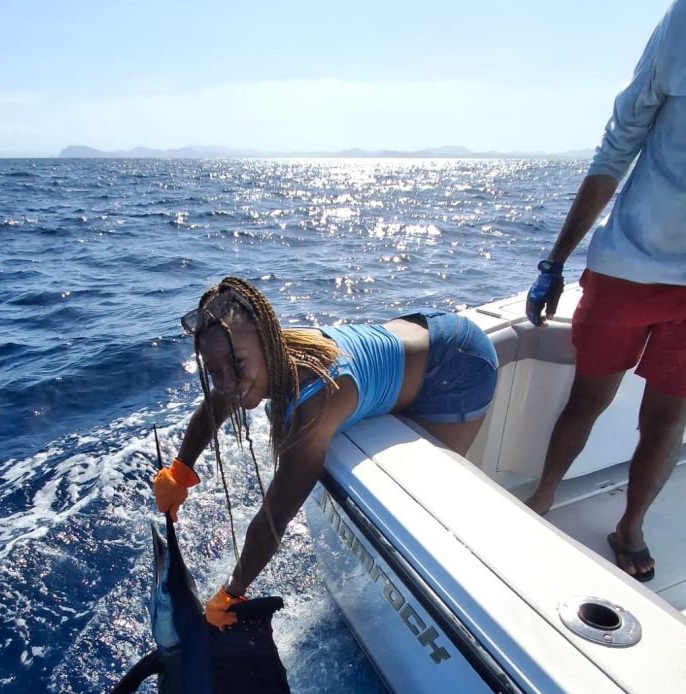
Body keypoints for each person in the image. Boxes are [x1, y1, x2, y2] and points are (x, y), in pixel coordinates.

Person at [154, 276, 498, 627]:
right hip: (422, 329)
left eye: (237, 365)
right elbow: (217, 402)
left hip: (456, 370)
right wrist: (180, 470)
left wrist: (232, 592)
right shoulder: (275, 350)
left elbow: (273, 519)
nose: (227, 383)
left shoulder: (316, 402)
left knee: (425, 500)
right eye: (214, 372)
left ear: (267, 339)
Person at [525, 0, 686, 583]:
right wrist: (555, 261)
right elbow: (620, 142)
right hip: (627, 267)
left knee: (669, 419)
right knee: (589, 399)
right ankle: (542, 498)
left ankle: (631, 527)